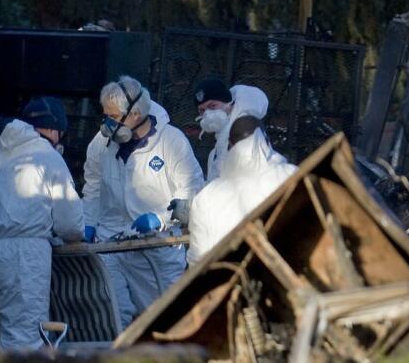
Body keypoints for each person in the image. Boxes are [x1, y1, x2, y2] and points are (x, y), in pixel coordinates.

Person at [0, 97, 84, 361]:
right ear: (54, 128)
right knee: (23, 343)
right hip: (19, 257)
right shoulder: (48, 157)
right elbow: (71, 225)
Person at [82, 76, 205, 326]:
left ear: (135, 114)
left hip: (158, 249)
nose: (107, 124)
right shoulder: (101, 144)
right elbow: (93, 186)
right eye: (105, 115)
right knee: (114, 316)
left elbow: (192, 192)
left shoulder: (171, 142)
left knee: (166, 320)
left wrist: (160, 218)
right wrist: (88, 221)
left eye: (114, 117)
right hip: (110, 243)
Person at [187, 115, 296, 265]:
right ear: (266, 140)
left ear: (230, 145)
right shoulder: (291, 176)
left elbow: (197, 260)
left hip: (229, 281)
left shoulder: (208, 196)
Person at [192, 77, 270, 181]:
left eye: (213, 106)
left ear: (229, 102)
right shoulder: (218, 146)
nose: (207, 114)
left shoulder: (245, 133)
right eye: (202, 110)